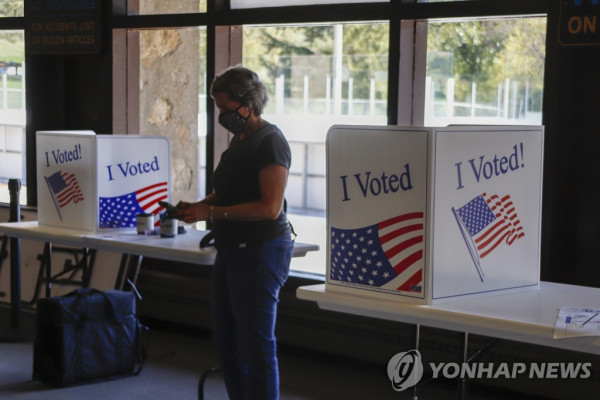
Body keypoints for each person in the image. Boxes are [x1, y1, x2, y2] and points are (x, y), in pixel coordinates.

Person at [175, 66, 293, 400]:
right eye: (218, 109)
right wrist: (198, 206)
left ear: (249, 104)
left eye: (227, 109)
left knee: (256, 343)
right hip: (232, 250)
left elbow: (269, 207)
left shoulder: (270, 142)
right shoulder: (241, 139)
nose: (222, 116)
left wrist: (210, 213)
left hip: (259, 251)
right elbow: (229, 190)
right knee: (227, 342)